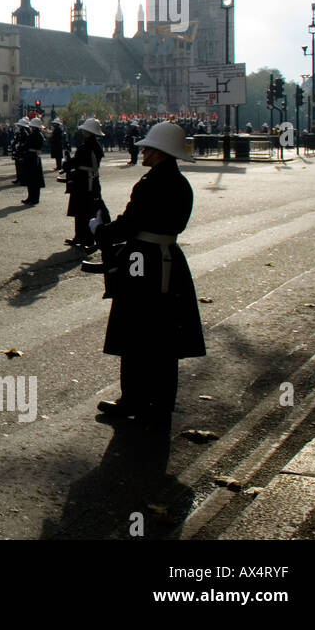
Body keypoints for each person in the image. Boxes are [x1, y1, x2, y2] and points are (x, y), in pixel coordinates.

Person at [92, 121, 204, 431]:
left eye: (149, 148)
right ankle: (161, 402)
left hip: (142, 259)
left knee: (134, 330)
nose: (143, 151)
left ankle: (134, 399)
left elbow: (129, 224)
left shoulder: (150, 183)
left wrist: (100, 232)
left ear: (160, 152)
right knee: (164, 336)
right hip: (169, 259)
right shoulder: (181, 184)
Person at [65, 118, 104, 249]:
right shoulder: (95, 145)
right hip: (88, 180)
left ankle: (85, 238)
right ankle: (82, 237)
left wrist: (67, 164)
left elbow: (77, 161)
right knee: (83, 211)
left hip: (84, 181)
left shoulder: (87, 146)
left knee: (83, 211)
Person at [20, 117, 45, 204]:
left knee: (31, 179)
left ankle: (32, 198)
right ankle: (34, 198)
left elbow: (27, 145)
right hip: (36, 156)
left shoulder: (33, 135)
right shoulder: (40, 135)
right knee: (35, 179)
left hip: (31, 157)